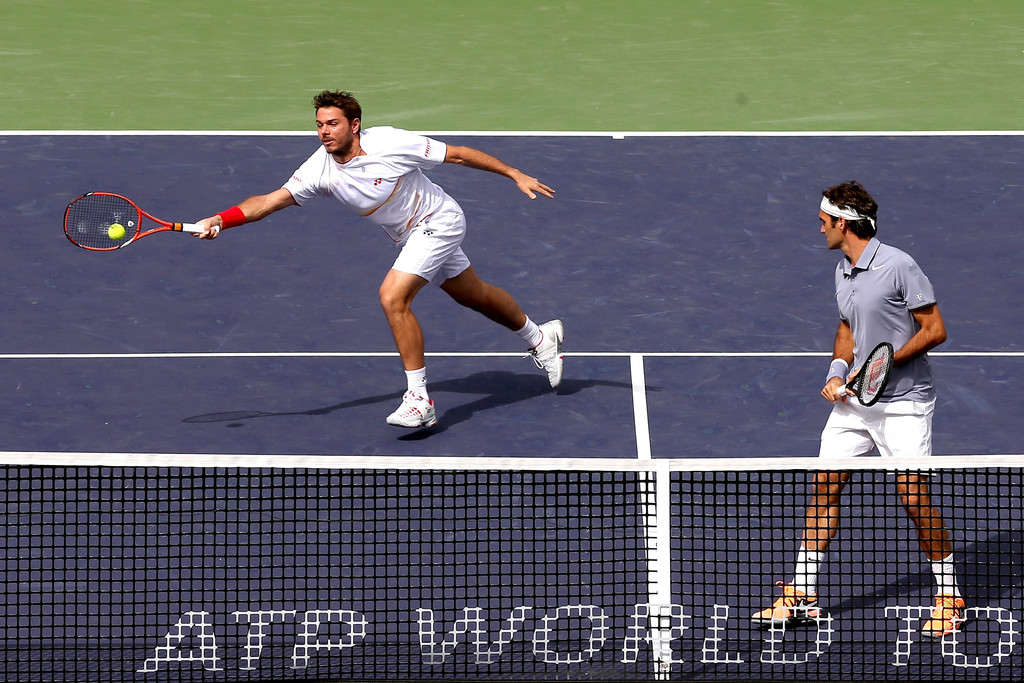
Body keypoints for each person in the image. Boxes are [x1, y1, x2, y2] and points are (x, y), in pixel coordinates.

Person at [194, 90, 563, 428]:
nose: (324, 132)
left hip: (440, 221)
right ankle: (539, 336)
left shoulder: (389, 142)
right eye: (319, 125)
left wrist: (514, 173)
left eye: (333, 124)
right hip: (409, 235)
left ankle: (419, 399)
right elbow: (268, 201)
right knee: (473, 294)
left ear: (354, 125)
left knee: (392, 296)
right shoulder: (318, 170)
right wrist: (219, 220)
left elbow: (459, 154)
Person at [751, 181, 964, 638]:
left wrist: (883, 368)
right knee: (824, 488)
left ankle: (950, 598)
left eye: (824, 221)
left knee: (913, 499)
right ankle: (803, 594)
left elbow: (935, 329)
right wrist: (838, 369)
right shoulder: (842, 269)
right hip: (854, 402)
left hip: (904, 404)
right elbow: (847, 326)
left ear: (842, 223)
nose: (819, 227)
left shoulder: (899, 265)